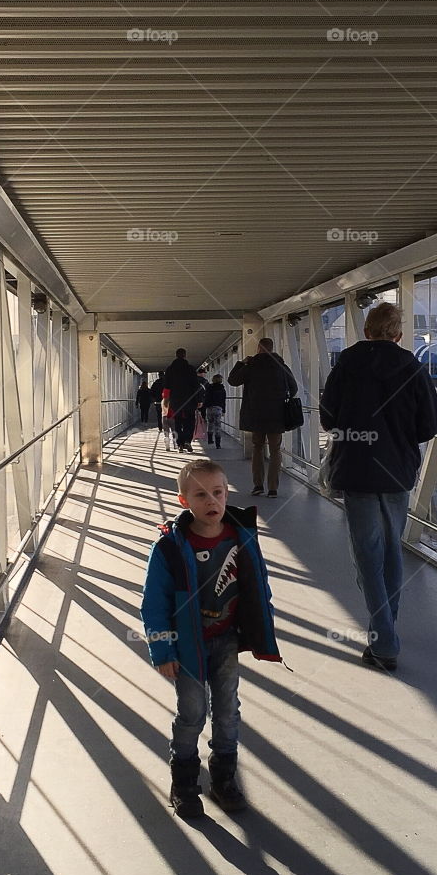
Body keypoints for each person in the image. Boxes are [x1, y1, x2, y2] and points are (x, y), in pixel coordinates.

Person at [140, 457, 281, 818]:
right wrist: (162, 649)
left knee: (228, 711)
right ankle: (184, 783)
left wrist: (260, 623)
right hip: (188, 645)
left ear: (226, 493)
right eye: (200, 495)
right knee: (191, 713)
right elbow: (154, 603)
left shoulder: (240, 535)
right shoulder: (171, 547)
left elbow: (257, 583)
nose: (212, 502)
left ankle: (223, 779)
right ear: (183, 501)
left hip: (226, 639)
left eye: (217, 493)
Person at [319, 302, 437, 673]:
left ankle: (384, 640)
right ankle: (383, 634)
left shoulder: (345, 367)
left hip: (356, 471)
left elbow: (328, 419)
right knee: (391, 552)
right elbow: (428, 425)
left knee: (367, 556)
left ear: (367, 332)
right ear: (398, 334)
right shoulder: (413, 369)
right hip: (396, 472)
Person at [228, 338, 297, 497]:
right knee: (275, 451)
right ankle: (273, 488)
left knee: (257, 448)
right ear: (272, 349)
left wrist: (241, 363)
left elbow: (232, 381)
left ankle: (258, 486)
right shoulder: (281, 365)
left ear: (259, 348)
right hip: (277, 415)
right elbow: (293, 388)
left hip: (255, 415)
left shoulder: (251, 366)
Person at [164, 348, 204, 453]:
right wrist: (199, 400)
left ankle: (180, 444)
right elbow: (196, 385)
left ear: (176, 355)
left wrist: (166, 401)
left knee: (177, 423)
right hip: (190, 401)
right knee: (189, 422)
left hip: (175, 401)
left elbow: (166, 386)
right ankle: (187, 441)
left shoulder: (170, 369)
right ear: (185, 355)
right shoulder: (190, 369)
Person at [201, 373, 227, 448]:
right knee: (218, 426)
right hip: (218, 409)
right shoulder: (222, 389)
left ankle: (210, 440)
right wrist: (224, 411)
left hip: (209, 408)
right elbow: (223, 401)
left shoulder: (209, 388)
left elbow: (206, 398)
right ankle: (218, 444)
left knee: (210, 424)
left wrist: (204, 408)